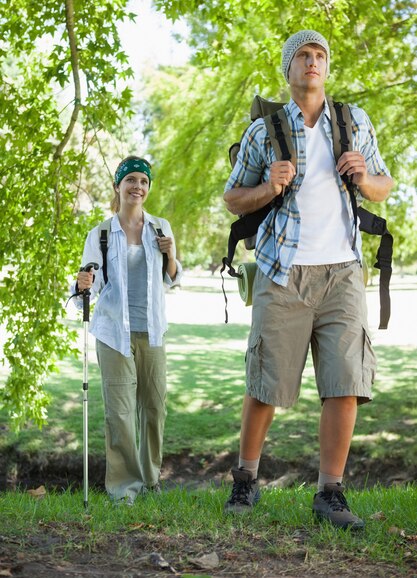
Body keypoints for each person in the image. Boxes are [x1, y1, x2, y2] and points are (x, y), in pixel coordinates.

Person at [222, 30, 393, 528]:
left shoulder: (353, 120)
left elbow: (385, 186)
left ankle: (330, 494)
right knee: (266, 382)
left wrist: (365, 177)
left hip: (343, 270)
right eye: (303, 56)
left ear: (327, 67)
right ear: (288, 69)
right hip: (282, 270)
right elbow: (234, 198)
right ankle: (245, 480)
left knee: (345, 382)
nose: (312, 62)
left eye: (319, 55)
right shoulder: (265, 131)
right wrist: (266, 186)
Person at [71, 155, 182, 505]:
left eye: (144, 181)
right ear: (118, 186)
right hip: (113, 333)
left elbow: (174, 278)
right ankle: (123, 489)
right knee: (119, 412)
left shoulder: (160, 228)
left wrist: (171, 255)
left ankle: (150, 480)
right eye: (131, 180)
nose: (138, 186)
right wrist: (82, 282)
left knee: (154, 408)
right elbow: (88, 290)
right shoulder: (101, 233)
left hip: (152, 332)